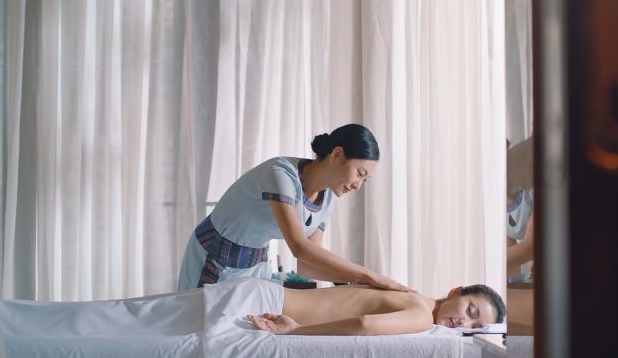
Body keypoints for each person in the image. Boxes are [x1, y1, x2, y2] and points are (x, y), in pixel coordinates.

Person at [177, 124, 411, 292]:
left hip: (255, 263)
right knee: (197, 329)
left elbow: (308, 265)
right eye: (359, 173)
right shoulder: (281, 175)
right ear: (337, 154)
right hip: (213, 255)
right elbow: (300, 248)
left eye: (365, 180)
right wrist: (371, 276)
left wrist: (356, 284)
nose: (358, 185)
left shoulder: (328, 198)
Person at [246, 281, 505, 336]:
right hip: (264, 305)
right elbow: (364, 324)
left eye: (475, 326)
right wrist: (295, 330)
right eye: (470, 312)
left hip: (264, 294)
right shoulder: (423, 317)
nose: (464, 323)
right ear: (455, 291)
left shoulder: (413, 296)